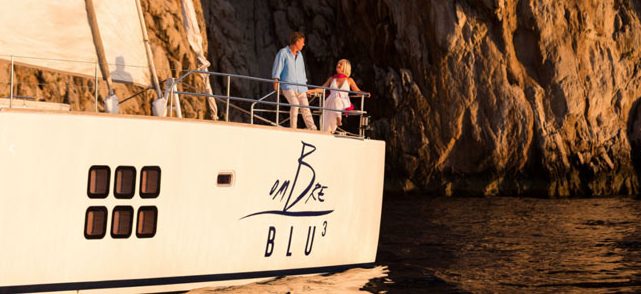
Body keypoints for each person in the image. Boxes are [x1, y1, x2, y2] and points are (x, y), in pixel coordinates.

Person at [272, 32, 317, 130]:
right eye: (302, 42)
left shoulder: (300, 55)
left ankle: (312, 128)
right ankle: (293, 128)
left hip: (301, 87)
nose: (303, 44)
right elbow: (277, 68)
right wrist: (276, 82)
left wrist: (305, 88)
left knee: (305, 107)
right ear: (297, 42)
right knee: (295, 104)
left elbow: (302, 71)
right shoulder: (283, 53)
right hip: (288, 86)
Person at [307, 59, 366, 133]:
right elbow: (322, 88)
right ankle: (331, 128)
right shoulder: (332, 79)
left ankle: (339, 118)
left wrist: (364, 93)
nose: (338, 65)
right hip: (330, 103)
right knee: (327, 126)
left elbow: (357, 91)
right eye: (338, 63)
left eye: (341, 64)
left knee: (337, 100)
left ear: (345, 67)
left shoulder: (349, 80)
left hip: (343, 103)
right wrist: (311, 91)